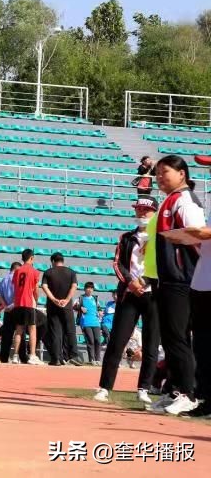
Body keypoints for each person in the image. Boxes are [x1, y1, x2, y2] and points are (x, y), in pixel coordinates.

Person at [149, 155, 205, 415]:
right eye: (157, 173)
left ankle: (189, 393)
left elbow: (198, 235)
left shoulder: (184, 200)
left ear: (182, 174)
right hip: (169, 277)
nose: (160, 177)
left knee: (178, 336)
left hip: (182, 277)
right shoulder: (169, 200)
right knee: (171, 337)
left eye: (165, 172)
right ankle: (175, 391)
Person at [94, 195, 160, 404]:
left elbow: (163, 265)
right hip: (129, 294)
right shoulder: (126, 237)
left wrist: (146, 283)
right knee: (117, 341)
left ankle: (144, 388)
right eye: (138, 209)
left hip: (153, 294)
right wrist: (131, 282)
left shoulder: (162, 237)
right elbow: (117, 264)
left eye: (145, 210)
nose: (141, 213)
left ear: (155, 213)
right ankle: (104, 387)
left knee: (151, 344)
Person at [162, 154, 211, 417]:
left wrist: (200, 233)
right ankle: (204, 397)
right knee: (202, 343)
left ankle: (193, 392)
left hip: (198, 280)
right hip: (202, 279)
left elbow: (204, 232)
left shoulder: (189, 201)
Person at [41, 252, 81, 366]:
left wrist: (54, 299)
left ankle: (56, 358)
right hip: (67, 307)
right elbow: (74, 286)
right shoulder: (71, 272)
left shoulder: (48, 272)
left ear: (53, 261)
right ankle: (73, 356)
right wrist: (67, 299)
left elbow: (44, 286)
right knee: (70, 331)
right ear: (63, 261)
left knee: (55, 331)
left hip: (53, 306)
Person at [10, 249, 44, 365]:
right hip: (29, 303)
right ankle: (33, 355)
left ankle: (15, 356)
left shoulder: (17, 271)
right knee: (32, 329)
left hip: (18, 303)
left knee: (19, 330)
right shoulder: (35, 272)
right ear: (31, 258)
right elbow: (35, 289)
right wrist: (36, 300)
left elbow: (15, 287)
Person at [75, 282, 102, 365]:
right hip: (86, 322)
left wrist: (100, 312)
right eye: (88, 288)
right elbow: (74, 307)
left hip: (96, 322)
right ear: (85, 289)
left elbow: (99, 308)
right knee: (91, 341)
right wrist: (80, 308)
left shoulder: (95, 298)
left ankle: (98, 359)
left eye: (91, 288)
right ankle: (92, 359)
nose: (89, 290)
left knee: (97, 340)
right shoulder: (80, 298)